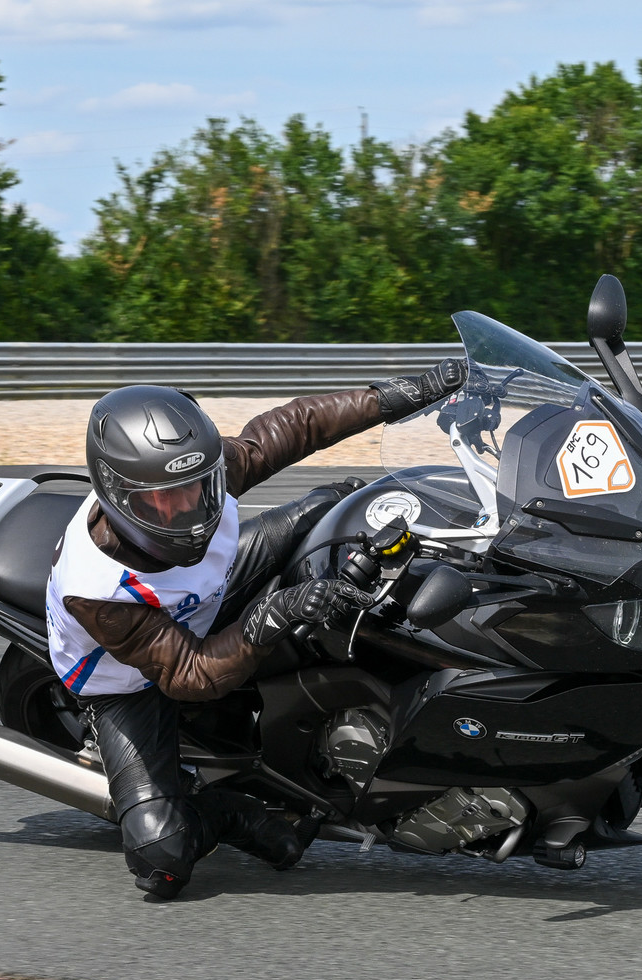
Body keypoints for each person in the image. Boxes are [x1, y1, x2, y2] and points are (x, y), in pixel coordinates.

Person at [44, 360, 466, 900]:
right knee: (161, 855)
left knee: (340, 504)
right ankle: (233, 812)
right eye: (162, 501)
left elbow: (295, 426)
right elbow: (188, 674)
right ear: (121, 496)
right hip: (133, 682)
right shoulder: (98, 590)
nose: (188, 508)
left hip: (207, 594)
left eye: (196, 488)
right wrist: (275, 614)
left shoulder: (195, 478)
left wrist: (401, 394)